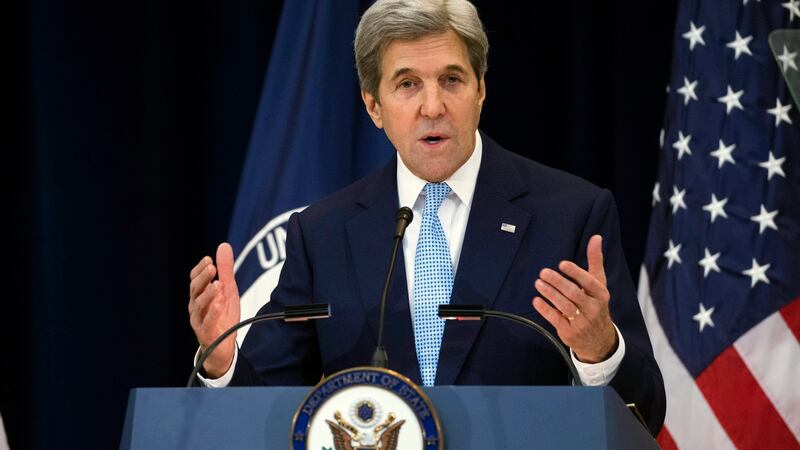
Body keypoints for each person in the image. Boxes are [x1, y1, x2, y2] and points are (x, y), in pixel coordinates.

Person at [187, 0, 666, 434]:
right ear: (374, 106)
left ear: (481, 90)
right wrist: (222, 362)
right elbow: (260, 407)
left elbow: (646, 412)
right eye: (407, 84)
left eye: (452, 80)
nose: (432, 107)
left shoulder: (571, 214)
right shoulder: (323, 234)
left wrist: (600, 352)